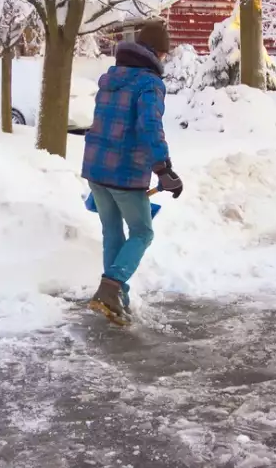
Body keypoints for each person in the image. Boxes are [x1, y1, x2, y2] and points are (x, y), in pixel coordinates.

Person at [81, 23, 183, 325]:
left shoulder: (112, 78)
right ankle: (109, 290)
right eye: (165, 52)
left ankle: (116, 300)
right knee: (142, 232)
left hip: (96, 168)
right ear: (157, 52)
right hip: (124, 173)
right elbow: (149, 127)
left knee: (113, 232)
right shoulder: (149, 83)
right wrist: (163, 169)